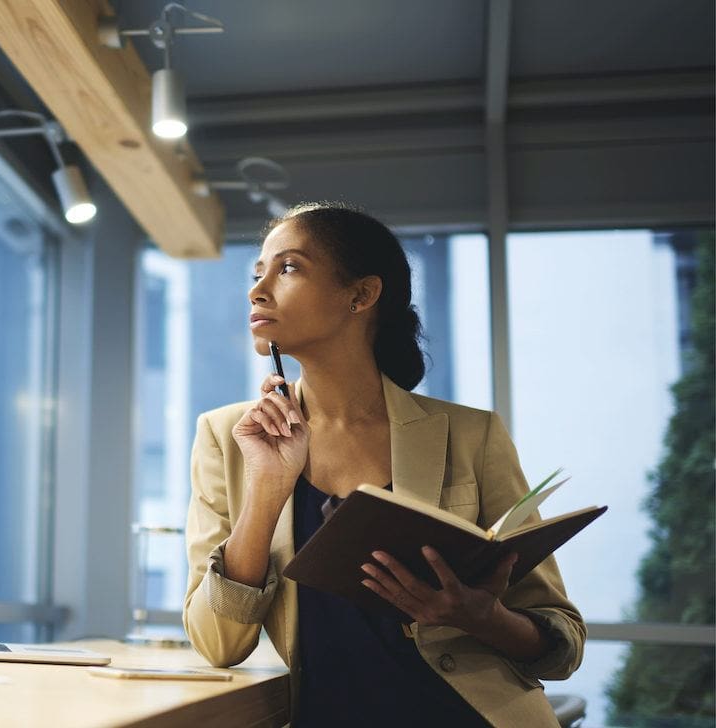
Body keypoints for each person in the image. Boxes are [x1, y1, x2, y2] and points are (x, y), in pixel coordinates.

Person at [182, 202, 585, 727]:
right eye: (257, 273)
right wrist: (266, 489)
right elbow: (218, 644)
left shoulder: (471, 436)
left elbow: (562, 643)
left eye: (288, 268)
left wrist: (483, 618)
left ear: (361, 294)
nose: (257, 291)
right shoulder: (228, 437)